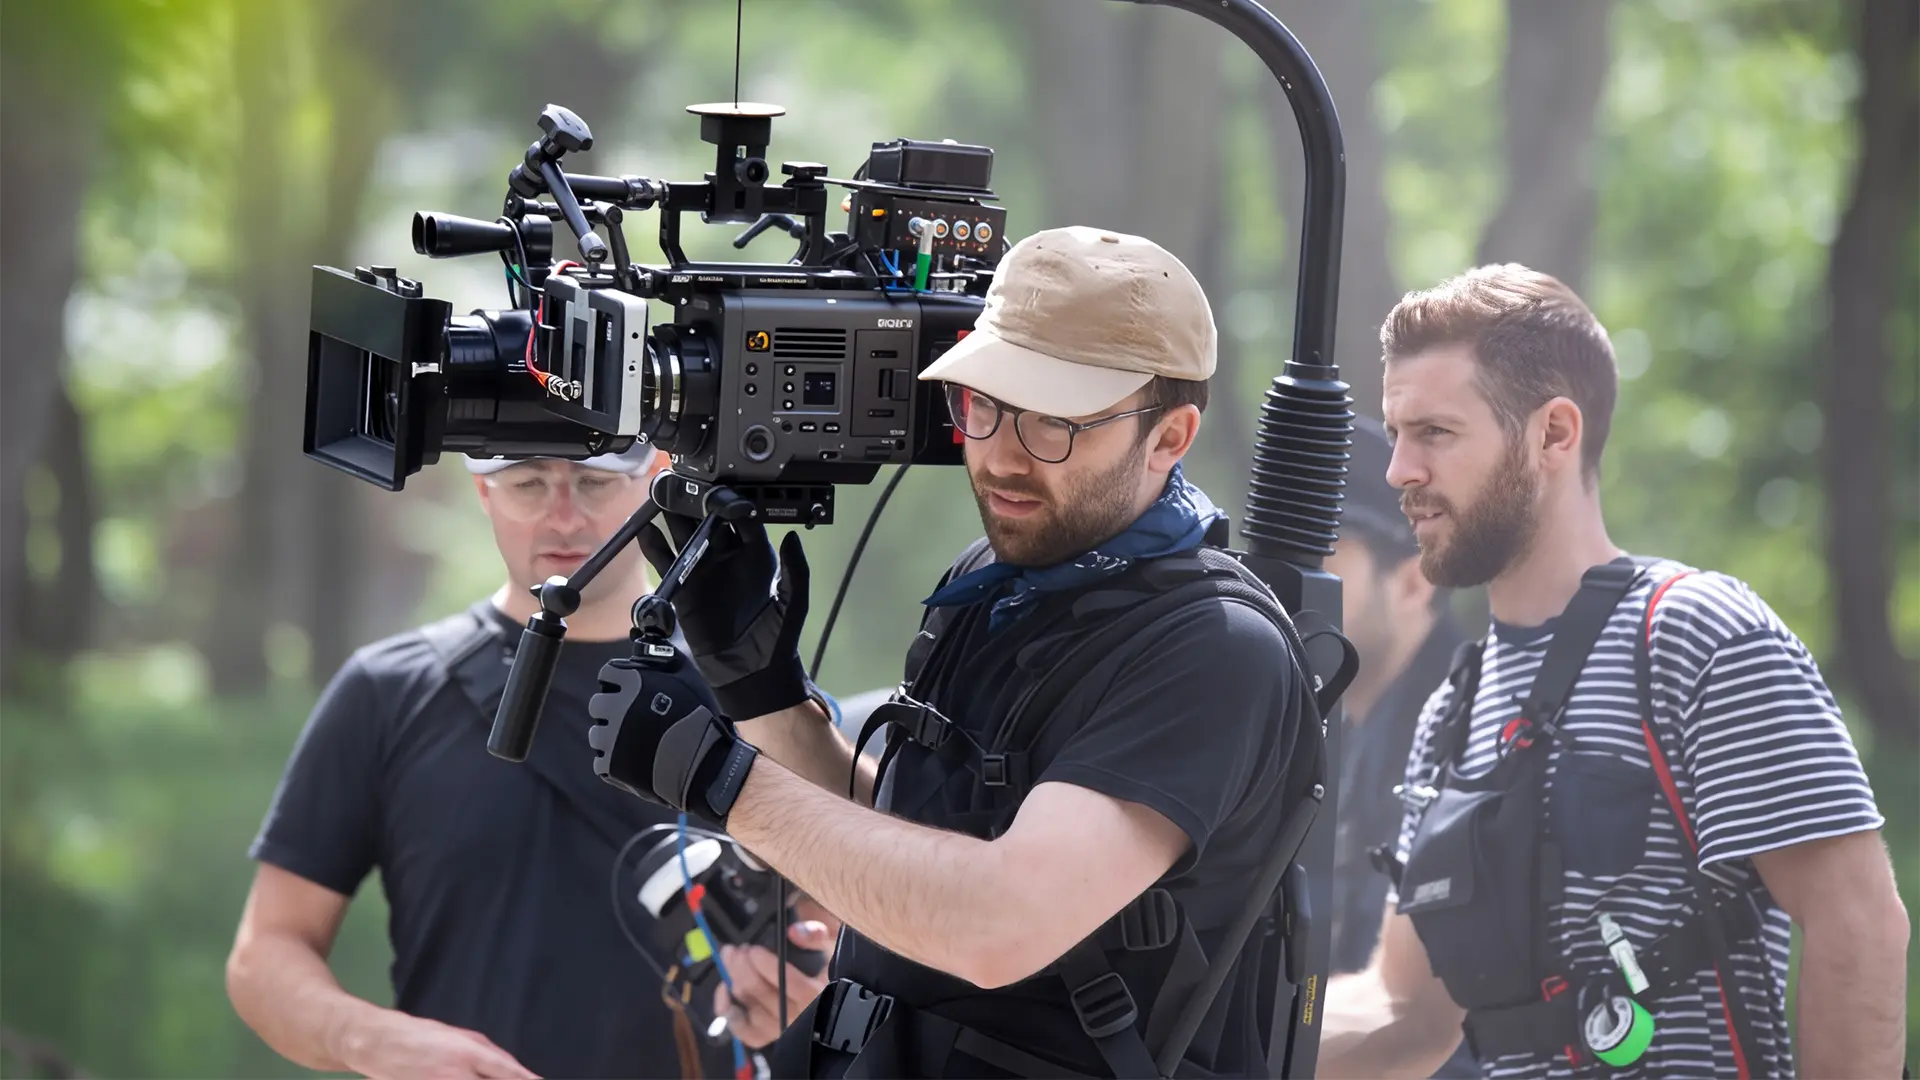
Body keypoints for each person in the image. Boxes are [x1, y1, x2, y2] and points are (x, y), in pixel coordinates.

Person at [588, 226, 1323, 1077]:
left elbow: (995, 923)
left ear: (1169, 437)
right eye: (984, 405)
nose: (1005, 456)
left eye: (1055, 421)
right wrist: (756, 687)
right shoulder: (999, 579)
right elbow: (895, 864)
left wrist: (725, 783)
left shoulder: (1214, 652)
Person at [1318, 264, 1909, 1079]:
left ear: (1554, 433)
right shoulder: (1454, 709)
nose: (1399, 473)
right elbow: (1406, 1016)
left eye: (1436, 434)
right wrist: (1181, 1044)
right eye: (1398, 434)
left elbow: (1859, 925)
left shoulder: (1699, 636)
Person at [226, 445, 831, 1080]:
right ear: (483, 492)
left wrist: (808, 993)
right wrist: (368, 1040)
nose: (563, 517)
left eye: (595, 482)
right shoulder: (387, 692)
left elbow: (854, 922)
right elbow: (266, 951)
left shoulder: (756, 692)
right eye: (528, 483)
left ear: (656, 480)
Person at [1323, 416, 1478, 1080]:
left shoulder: (1465, 736)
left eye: (1324, 557)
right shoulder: (1359, 728)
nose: (1288, 587)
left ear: (1414, 583)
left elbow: (1418, 1024)